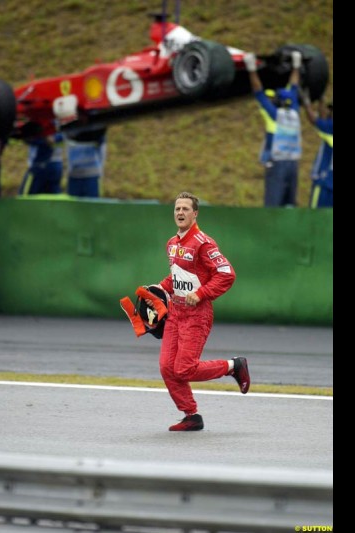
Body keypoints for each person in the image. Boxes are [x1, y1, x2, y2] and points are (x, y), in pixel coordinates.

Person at [145, 191, 251, 431]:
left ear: (195, 213)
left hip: (197, 315)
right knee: (167, 367)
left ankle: (234, 366)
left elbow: (227, 274)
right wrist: (158, 288)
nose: (180, 212)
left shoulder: (204, 243)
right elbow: (177, 278)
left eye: (185, 209)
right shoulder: (172, 243)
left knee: (184, 368)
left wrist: (201, 293)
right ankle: (191, 415)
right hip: (175, 314)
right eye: (177, 209)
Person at [243, 50, 303, 207]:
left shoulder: (274, 115)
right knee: (290, 204)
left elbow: (259, 93)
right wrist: (296, 66)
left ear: (277, 101)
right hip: (293, 164)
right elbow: (294, 87)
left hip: (277, 164)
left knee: (272, 205)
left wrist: (251, 69)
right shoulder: (295, 113)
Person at [301, 93, 333, 208]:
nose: (329, 113)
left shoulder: (330, 128)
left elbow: (314, 120)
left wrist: (306, 102)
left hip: (324, 183)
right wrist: (321, 100)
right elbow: (323, 119)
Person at [65, 131, 106, 198]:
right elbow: (68, 147)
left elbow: (102, 150)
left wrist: (100, 172)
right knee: (73, 206)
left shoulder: (97, 130)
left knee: (91, 206)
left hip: (91, 175)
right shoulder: (72, 128)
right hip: (74, 175)